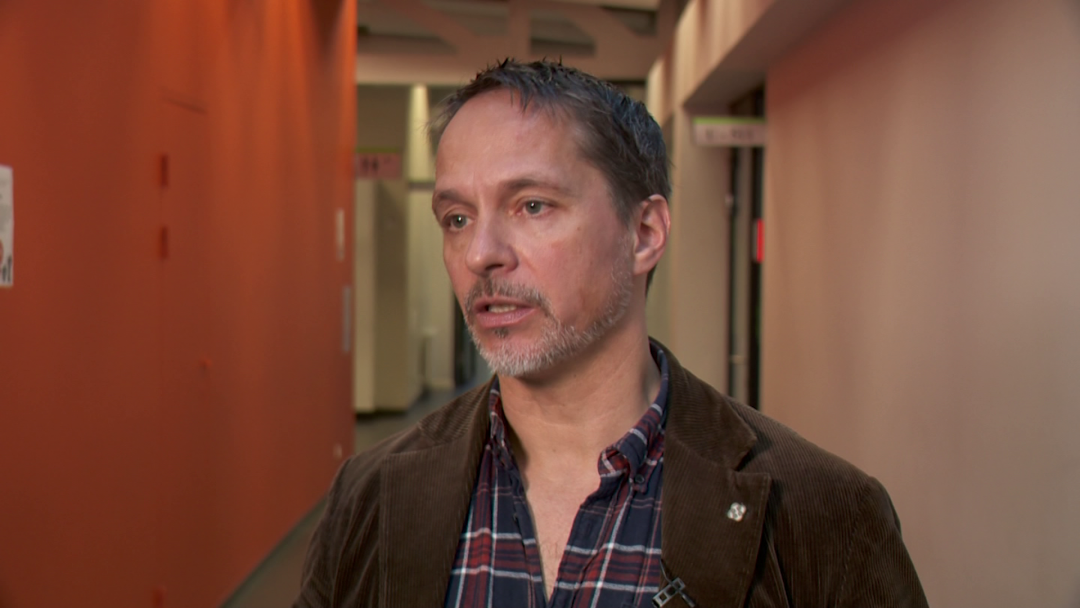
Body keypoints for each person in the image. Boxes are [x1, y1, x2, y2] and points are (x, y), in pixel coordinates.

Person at [294, 59, 928, 608]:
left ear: (644, 233)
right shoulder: (371, 494)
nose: (481, 253)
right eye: (457, 218)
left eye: (532, 205)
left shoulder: (825, 516)